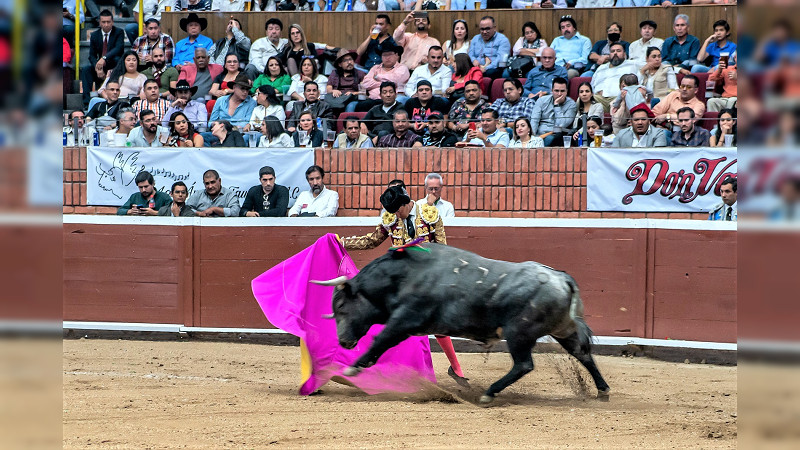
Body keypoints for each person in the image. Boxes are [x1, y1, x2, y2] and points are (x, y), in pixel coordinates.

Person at [339, 184, 469, 386]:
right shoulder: (391, 218)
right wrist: (344, 243)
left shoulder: (429, 214)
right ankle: (392, 372)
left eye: (397, 211)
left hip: (427, 275)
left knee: (438, 320)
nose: (396, 216)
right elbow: (372, 241)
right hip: (402, 280)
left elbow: (443, 249)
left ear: (406, 204)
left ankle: (456, 368)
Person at [81, 9, 125, 106]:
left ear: (112, 22)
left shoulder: (119, 32)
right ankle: (87, 102)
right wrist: (97, 68)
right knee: (85, 70)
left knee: (117, 59)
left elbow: (118, 49)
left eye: (108, 22)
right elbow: (91, 55)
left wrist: (104, 58)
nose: (106, 24)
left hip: (113, 64)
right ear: (99, 22)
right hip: (100, 65)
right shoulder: (95, 35)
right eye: (103, 22)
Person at [359, 43, 410, 111]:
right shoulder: (375, 68)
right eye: (384, 55)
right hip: (373, 99)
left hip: (394, 99)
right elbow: (365, 84)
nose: (387, 57)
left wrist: (377, 77)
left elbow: (396, 79)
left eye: (390, 54)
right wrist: (384, 84)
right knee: (359, 105)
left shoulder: (402, 68)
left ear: (396, 55)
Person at [590, 43, 640, 112]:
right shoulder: (601, 68)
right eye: (613, 51)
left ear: (624, 54)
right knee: (583, 99)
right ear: (609, 55)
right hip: (600, 100)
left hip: (619, 99)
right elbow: (592, 85)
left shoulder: (633, 64)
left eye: (618, 51)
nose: (615, 53)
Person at [530, 77, 576, 146]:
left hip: (556, 135)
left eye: (562, 91)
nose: (559, 94)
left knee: (550, 138)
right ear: (552, 91)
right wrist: (531, 138)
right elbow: (534, 121)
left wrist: (556, 106)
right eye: (556, 91)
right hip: (539, 134)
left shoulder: (572, 105)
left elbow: (561, 125)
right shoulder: (541, 100)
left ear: (566, 91)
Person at [468, 15, 511, 80]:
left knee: (490, 72)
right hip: (476, 67)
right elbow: (470, 53)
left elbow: (501, 60)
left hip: (493, 69)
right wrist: (474, 60)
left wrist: (486, 68)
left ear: (494, 28)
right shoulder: (475, 38)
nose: (484, 32)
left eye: (487, 29)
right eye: (482, 29)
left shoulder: (503, 40)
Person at [326, 49, 366, 114]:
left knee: (350, 106)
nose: (349, 62)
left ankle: (349, 123)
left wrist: (353, 93)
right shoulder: (334, 74)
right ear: (340, 64)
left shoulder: (360, 74)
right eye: (345, 61)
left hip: (352, 99)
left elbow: (363, 92)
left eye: (350, 59)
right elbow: (328, 89)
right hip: (338, 99)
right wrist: (334, 91)